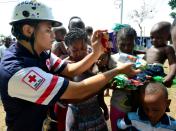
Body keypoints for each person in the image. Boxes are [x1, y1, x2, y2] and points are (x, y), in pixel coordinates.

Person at [0, 1, 140, 131]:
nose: (53, 36)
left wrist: (96, 51)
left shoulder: (41, 53)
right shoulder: (19, 71)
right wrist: (118, 71)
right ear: (28, 30)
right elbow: (79, 91)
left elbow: (70, 70)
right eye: (48, 30)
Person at [65, 28, 108, 130]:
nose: (80, 53)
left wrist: (104, 107)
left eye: (83, 48)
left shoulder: (93, 62)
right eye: (75, 50)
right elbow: (66, 98)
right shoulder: (65, 68)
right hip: (77, 117)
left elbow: (99, 93)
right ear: (68, 50)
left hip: (96, 114)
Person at [109, 27, 140, 131]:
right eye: (123, 44)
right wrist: (115, 84)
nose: (126, 48)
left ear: (134, 42)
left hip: (137, 108)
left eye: (130, 44)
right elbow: (105, 82)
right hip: (118, 106)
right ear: (117, 42)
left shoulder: (140, 61)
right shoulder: (112, 59)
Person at [141, 21, 176, 87]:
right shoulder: (150, 47)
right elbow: (144, 54)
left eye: (158, 38)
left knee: (138, 79)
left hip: (155, 69)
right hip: (145, 68)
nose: (154, 40)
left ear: (168, 38)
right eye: (152, 37)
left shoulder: (167, 48)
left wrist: (170, 75)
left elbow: (173, 63)